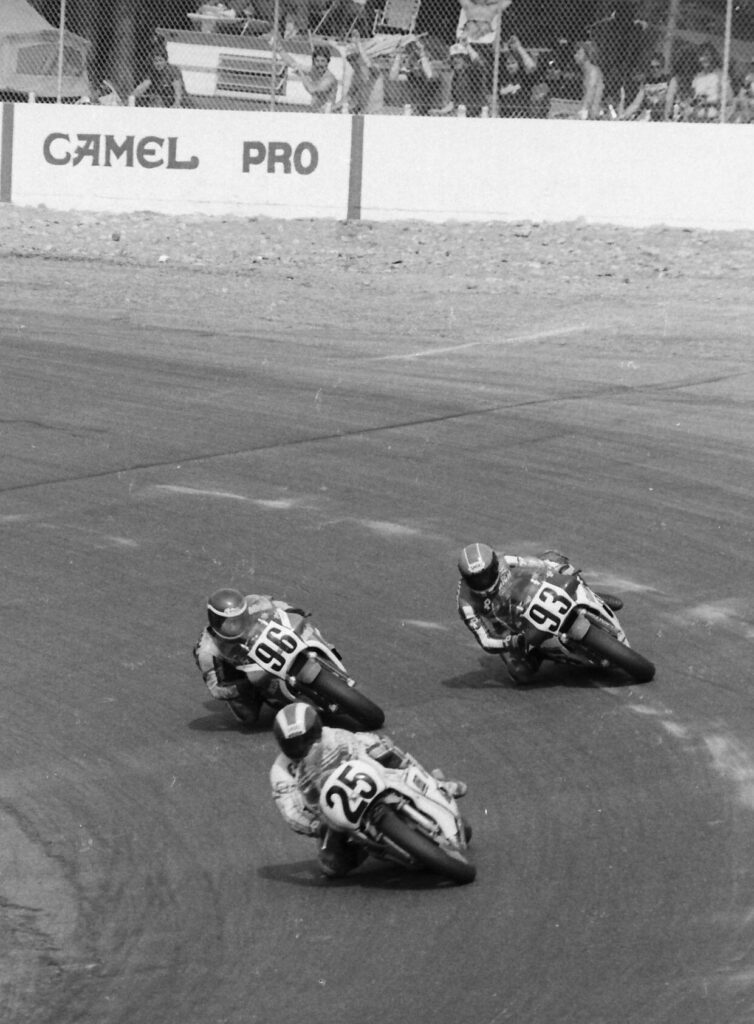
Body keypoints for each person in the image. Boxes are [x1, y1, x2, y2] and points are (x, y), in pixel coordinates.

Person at [270, 702, 468, 877]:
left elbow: (361, 744)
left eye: (306, 739)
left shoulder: (332, 735)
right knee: (331, 866)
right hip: (331, 815)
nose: (301, 747)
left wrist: (378, 753)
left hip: (367, 780)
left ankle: (434, 784)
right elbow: (292, 811)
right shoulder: (281, 771)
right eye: (293, 745)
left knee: (382, 749)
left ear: (317, 729)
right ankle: (370, 847)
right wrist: (315, 825)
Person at [456, 543, 624, 685]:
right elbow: (485, 641)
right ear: (466, 578)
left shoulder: (505, 562)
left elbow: (537, 564)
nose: (483, 581)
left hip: (526, 595)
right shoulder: (465, 603)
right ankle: (540, 653)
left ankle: (587, 594)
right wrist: (510, 642)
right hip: (505, 627)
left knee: (555, 558)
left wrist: (559, 568)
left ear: (493, 565)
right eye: (476, 579)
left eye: (485, 575)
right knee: (520, 673)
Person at [193, 587, 309, 726]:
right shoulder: (206, 650)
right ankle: (262, 695)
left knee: (303, 631)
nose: (234, 625)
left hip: (264, 643)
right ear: (216, 621)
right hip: (240, 673)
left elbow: (275, 605)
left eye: (238, 619)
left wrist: (292, 611)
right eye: (228, 622)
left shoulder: (254, 604)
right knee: (248, 717)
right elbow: (216, 689)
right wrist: (247, 685)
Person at [430, 41, 488, 117]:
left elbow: (478, 63)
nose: (455, 60)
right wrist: (441, 112)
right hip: (463, 114)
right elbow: (453, 103)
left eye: (459, 57)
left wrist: (467, 46)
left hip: (478, 114)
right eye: (453, 57)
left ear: (465, 58)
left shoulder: (472, 72)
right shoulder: (456, 76)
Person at [388, 37, 440, 116]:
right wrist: (398, 56)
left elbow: (430, 75)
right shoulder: (410, 74)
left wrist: (422, 54)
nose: (413, 53)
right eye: (410, 49)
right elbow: (392, 77)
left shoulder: (431, 70)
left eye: (415, 49)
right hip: (411, 108)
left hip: (426, 110)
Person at [279, 44, 338, 111]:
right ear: (314, 62)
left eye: (323, 61)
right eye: (317, 61)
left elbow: (312, 90)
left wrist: (302, 74)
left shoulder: (329, 79)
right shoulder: (314, 72)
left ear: (328, 62)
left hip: (327, 115)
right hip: (315, 112)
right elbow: (293, 64)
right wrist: (279, 48)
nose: (320, 64)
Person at [621, 53, 678, 122]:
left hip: (663, 112)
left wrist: (666, 118)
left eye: (658, 67)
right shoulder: (646, 82)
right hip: (649, 114)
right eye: (652, 67)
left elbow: (669, 100)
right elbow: (636, 103)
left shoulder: (669, 80)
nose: (655, 70)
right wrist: (624, 116)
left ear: (662, 67)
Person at [687, 43, 732, 122]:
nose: (705, 58)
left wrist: (709, 102)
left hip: (714, 117)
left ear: (713, 56)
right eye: (702, 56)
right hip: (697, 117)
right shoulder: (697, 77)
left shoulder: (721, 75)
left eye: (707, 55)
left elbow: (729, 98)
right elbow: (692, 98)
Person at [496, 35, 538, 118]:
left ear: (519, 64)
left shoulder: (523, 77)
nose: (510, 66)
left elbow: (532, 67)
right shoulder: (501, 77)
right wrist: (504, 50)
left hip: (522, 116)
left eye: (513, 63)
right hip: (505, 117)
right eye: (508, 64)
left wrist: (519, 47)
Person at [573, 39, 604, 120]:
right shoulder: (586, 71)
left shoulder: (593, 71)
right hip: (589, 113)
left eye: (579, 53)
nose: (575, 56)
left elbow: (591, 90)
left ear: (587, 55)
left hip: (593, 114)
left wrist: (583, 110)